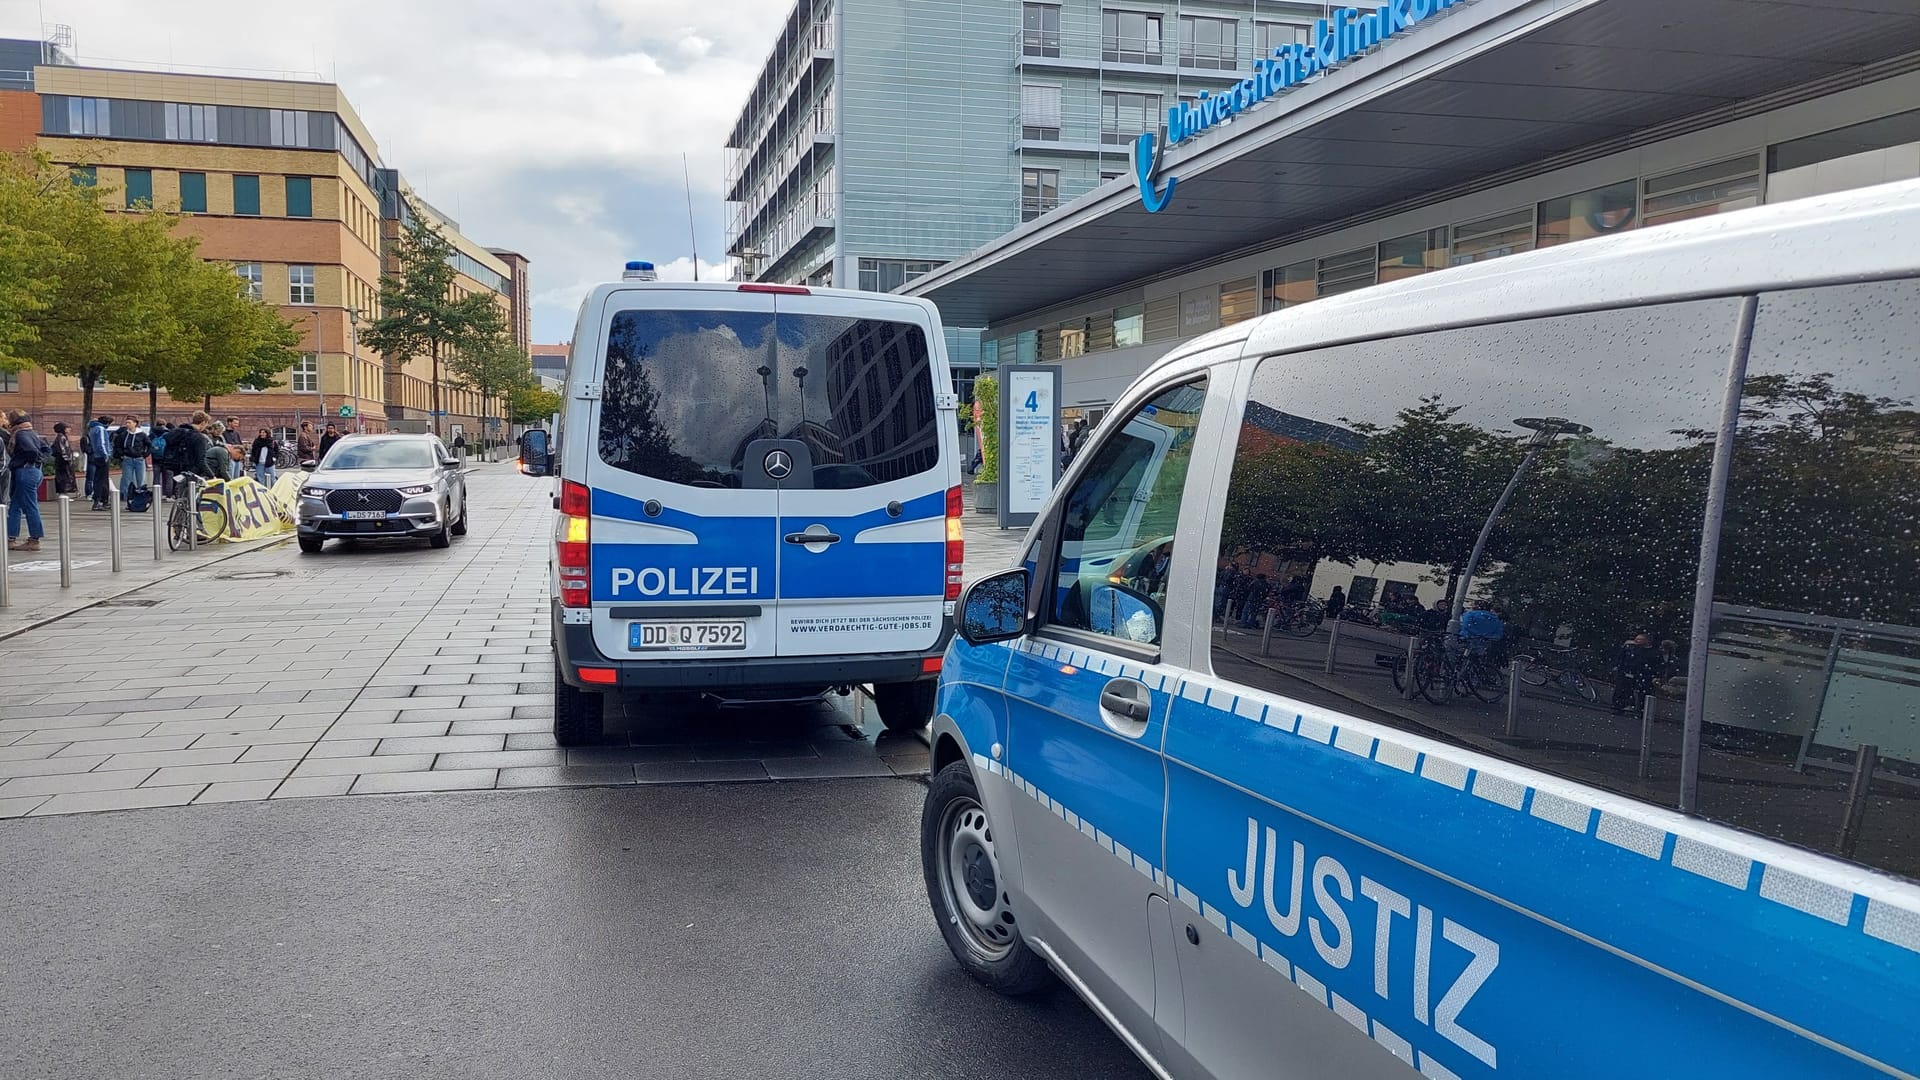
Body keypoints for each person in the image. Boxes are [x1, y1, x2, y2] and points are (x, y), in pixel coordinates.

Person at [6, 410, 47, 552]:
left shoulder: (21, 434)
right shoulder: (32, 432)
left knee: (29, 505)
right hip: (34, 470)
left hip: (25, 471)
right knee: (16, 505)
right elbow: (45, 448)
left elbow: (31, 452)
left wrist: (18, 462)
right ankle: (10, 537)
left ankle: (34, 539)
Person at [1612, 633, 1660, 715]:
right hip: (1630, 671)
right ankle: (1620, 706)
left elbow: (1654, 664)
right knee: (1622, 688)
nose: (1636, 641)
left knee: (1641, 691)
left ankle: (1639, 709)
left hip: (1643, 674)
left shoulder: (1652, 652)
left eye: (1639, 640)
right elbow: (1623, 657)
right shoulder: (1632, 648)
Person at [115, 414, 151, 509]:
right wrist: (122, 454)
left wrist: (145, 454)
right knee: (127, 480)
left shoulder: (142, 435)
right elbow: (118, 446)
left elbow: (149, 445)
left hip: (139, 459)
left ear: (135, 424)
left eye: (129, 423)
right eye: (126, 422)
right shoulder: (123, 435)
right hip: (127, 459)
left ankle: (140, 499)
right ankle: (128, 499)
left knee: (141, 480)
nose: (127, 424)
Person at [170, 412, 216, 482]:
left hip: (174, 469)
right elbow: (201, 461)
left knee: (176, 491)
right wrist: (212, 475)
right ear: (203, 422)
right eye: (206, 424)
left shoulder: (177, 432)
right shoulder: (199, 437)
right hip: (191, 472)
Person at [84, 413, 112, 509]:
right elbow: (102, 443)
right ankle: (99, 501)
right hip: (101, 456)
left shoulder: (93, 428)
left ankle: (102, 500)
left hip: (96, 456)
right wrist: (106, 455)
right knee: (102, 479)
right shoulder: (100, 429)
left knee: (99, 479)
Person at [50, 422, 76, 495]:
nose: (69, 429)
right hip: (63, 461)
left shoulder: (62, 437)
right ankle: (63, 493)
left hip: (62, 461)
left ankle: (64, 493)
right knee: (64, 477)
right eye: (67, 428)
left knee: (64, 477)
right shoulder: (61, 437)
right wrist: (67, 459)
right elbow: (62, 449)